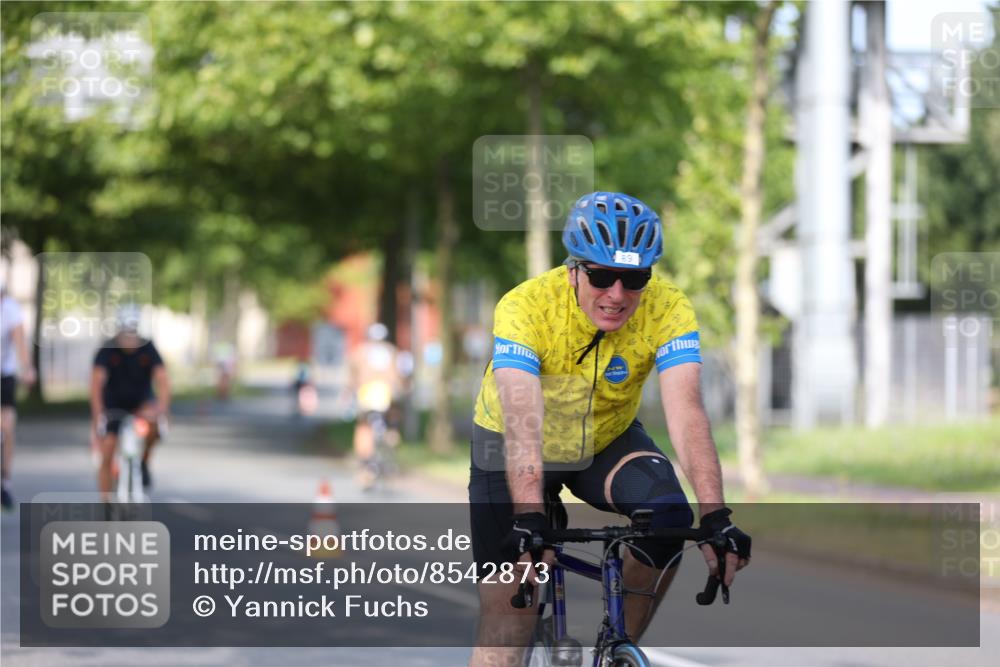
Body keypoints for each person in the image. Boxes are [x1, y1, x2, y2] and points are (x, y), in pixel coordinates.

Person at [468, 192, 751, 664]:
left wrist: (717, 516)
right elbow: (522, 420)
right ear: (574, 268)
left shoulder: (669, 307)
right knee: (507, 619)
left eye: (635, 278)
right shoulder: (525, 306)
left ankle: (620, 650)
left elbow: (686, 410)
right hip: (510, 442)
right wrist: (530, 518)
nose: (617, 294)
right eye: (601, 276)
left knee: (668, 517)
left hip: (603, 437)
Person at [90, 305, 170, 499]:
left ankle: (143, 461)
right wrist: (98, 415)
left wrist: (162, 408)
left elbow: (162, 378)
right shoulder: (108, 349)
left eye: (133, 330)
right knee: (107, 450)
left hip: (141, 404)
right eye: (126, 330)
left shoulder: (147, 348)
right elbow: (96, 383)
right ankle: (106, 502)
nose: (129, 336)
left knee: (153, 427)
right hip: (113, 406)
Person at [1, 282, 36, 510]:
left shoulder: (10, 308)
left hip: (4, 374)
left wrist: (26, 367)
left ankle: (5, 481)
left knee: (7, 426)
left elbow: (20, 340)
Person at [349, 323, 400, 481]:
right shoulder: (392, 352)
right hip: (386, 394)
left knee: (363, 427)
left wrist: (350, 389)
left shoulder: (361, 351)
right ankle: (391, 438)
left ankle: (364, 462)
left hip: (367, 394)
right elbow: (399, 375)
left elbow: (352, 373)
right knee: (391, 419)